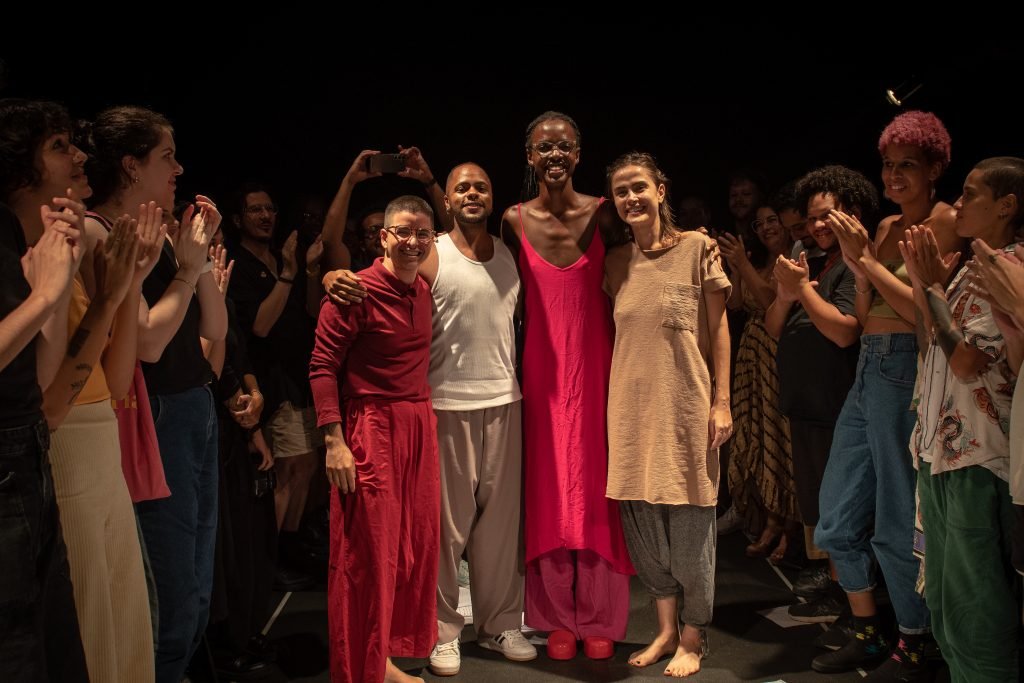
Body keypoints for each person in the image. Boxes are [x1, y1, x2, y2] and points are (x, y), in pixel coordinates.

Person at [812, 111, 959, 678]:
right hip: (868, 368)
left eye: (907, 166)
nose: (894, 176)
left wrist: (868, 261)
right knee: (834, 518)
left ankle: (917, 641)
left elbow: (923, 313)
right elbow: (864, 310)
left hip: (906, 368)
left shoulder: (945, 223)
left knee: (897, 519)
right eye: (888, 165)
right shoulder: (887, 227)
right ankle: (869, 629)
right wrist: (860, 260)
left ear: (934, 169)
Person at [499, 111, 633, 659]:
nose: (553, 156)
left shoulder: (604, 216)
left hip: (600, 366)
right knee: (548, 488)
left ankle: (599, 614)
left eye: (563, 148)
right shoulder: (511, 220)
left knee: (599, 487)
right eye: (542, 148)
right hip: (542, 370)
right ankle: (555, 616)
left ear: (578, 156)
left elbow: (649, 254)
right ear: (529, 158)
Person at [604, 152, 731, 678]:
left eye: (639, 187)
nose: (630, 198)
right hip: (630, 411)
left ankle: (694, 636)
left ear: (660, 189)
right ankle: (663, 630)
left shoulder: (697, 247)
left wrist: (721, 402)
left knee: (691, 527)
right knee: (644, 530)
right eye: (620, 192)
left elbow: (719, 328)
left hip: (686, 406)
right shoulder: (614, 263)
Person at [901, 157, 1023, 682]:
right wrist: (929, 288)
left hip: (978, 455)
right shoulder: (970, 267)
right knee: (947, 609)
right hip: (940, 451)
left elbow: (969, 362)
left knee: (979, 611)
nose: (956, 204)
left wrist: (931, 289)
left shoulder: (1013, 266)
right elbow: (933, 344)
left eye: (970, 194)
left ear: (1006, 205)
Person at [310, 195, 440, 683]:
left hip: (417, 424)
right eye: (402, 232)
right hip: (372, 428)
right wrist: (334, 441)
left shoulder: (422, 288)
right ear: (384, 236)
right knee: (367, 552)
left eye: (422, 234)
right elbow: (322, 367)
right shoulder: (353, 292)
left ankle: (380, 660)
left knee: (410, 547)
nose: (412, 241)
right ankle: (361, 670)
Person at [0, 97, 90, 683]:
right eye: (59, 146)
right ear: (17, 169)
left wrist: (56, 289)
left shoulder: (24, 246)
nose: (79, 155)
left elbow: (38, 374)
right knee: (15, 638)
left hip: (25, 447)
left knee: (47, 625)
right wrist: (42, 297)